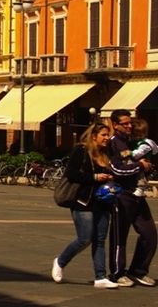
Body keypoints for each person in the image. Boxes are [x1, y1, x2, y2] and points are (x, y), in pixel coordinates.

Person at [53, 122, 118, 289]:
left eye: (107, 135)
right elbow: (71, 174)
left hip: (103, 203)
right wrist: (95, 177)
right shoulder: (81, 151)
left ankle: (100, 277)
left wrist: (109, 179)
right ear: (94, 136)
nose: (106, 138)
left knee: (100, 240)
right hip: (83, 201)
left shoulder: (106, 154)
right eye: (103, 135)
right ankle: (60, 261)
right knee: (85, 238)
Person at [108, 109, 157, 287]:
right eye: (125, 123)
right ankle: (116, 273)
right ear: (115, 125)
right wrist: (139, 166)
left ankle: (138, 270)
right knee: (120, 236)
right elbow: (116, 169)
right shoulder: (113, 143)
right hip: (122, 194)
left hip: (137, 194)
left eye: (130, 123)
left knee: (149, 233)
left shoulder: (131, 141)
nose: (129, 126)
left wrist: (146, 166)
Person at [130, 118, 158, 198]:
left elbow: (138, 153)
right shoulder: (134, 142)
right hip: (137, 162)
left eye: (140, 135)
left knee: (141, 176)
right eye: (135, 135)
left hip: (143, 161)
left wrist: (130, 153)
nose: (138, 137)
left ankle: (141, 189)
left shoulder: (145, 144)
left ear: (145, 133)